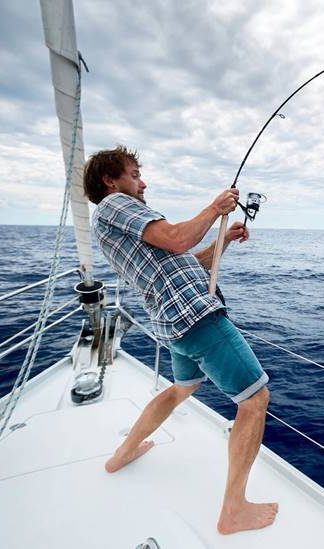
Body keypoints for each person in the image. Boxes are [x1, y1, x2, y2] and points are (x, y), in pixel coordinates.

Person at [83, 145, 278, 533]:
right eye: (135, 173)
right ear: (110, 180)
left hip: (173, 324)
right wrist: (215, 208)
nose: (142, 182)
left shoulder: (113, 222)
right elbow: (176, 239)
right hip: (195, 316)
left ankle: (121, 455)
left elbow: (185, 260)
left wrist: (221, 241)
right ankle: (233, 509)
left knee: (180, 389)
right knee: (255, 400)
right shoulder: (115, 205)